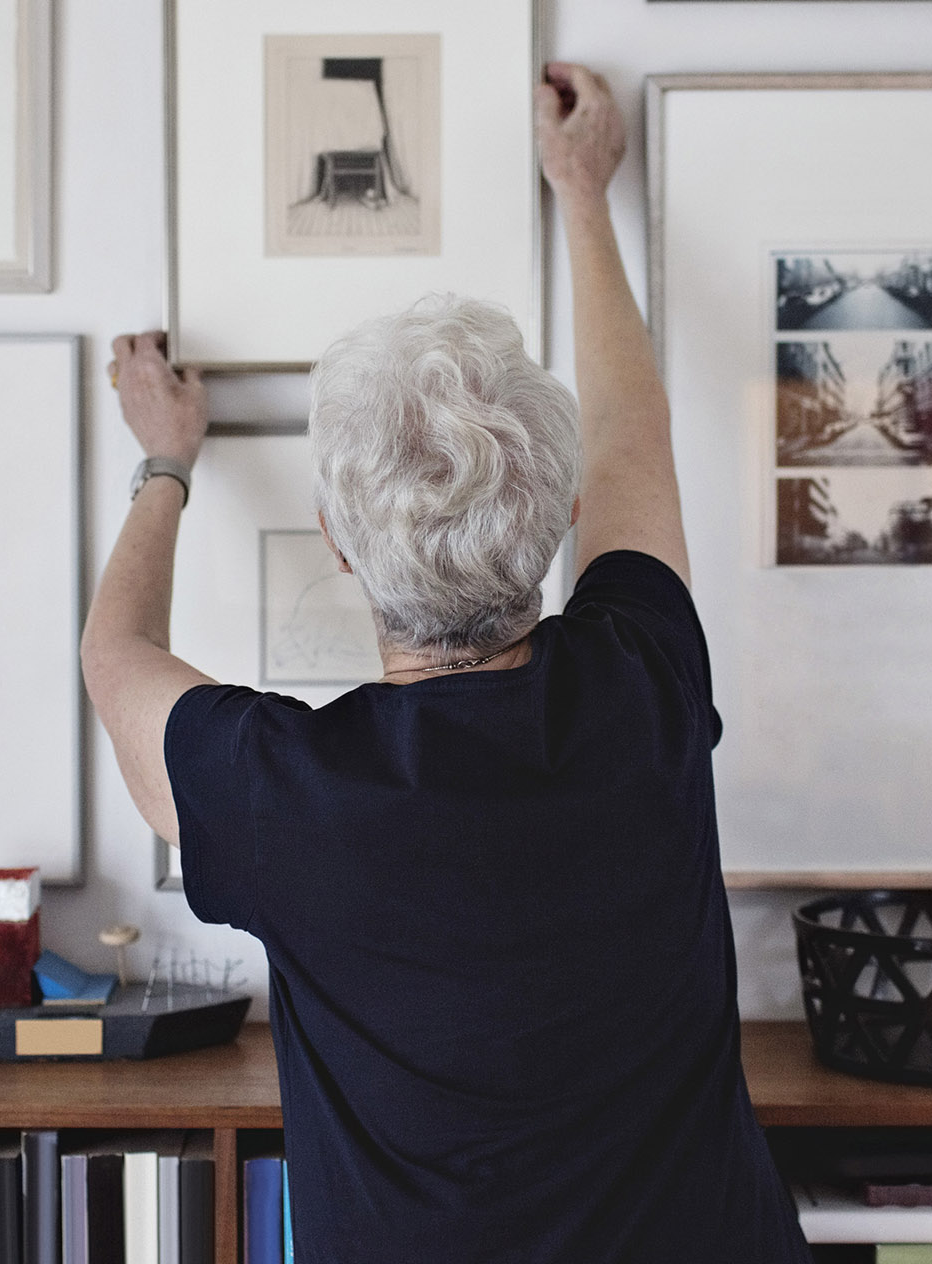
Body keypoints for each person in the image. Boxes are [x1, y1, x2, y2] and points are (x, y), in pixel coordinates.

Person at [82, 63, 810, 1263]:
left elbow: (115, 654)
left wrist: (167, 460)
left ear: (339, 546)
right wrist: (581, 192)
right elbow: (637, 429)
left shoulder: (278, 793)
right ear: (561, 515)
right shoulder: (642, 688)